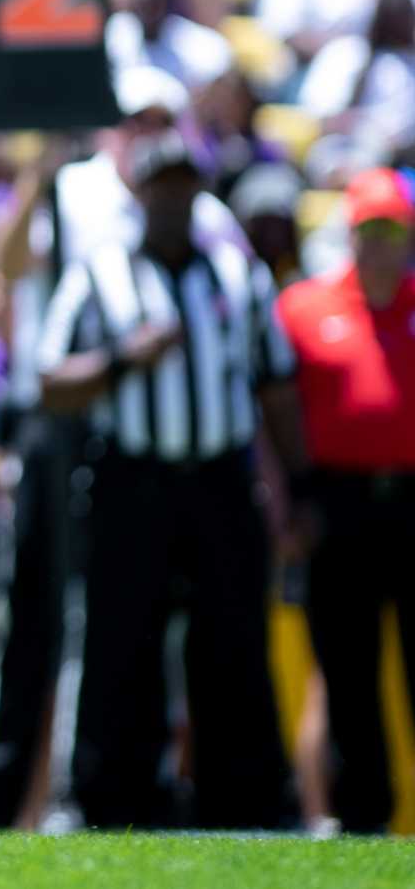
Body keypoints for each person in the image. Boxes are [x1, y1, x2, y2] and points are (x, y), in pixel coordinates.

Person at [37, 132, 300, 830]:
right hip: (135, 481)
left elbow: (275, 385)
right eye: (163, 186)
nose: (176, 199)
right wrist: (125, 357)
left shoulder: (240, 277)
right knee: (122, 643)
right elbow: (49, 380)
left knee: (234, 641)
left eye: (188, 185)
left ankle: (243, 804)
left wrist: (298, 489)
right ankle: (113, 802)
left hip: (219, 480)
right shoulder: (99, 273)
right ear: (139, 193)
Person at [275, 168, 415, 834]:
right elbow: (274, 412)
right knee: (348, 671)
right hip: (338, 504)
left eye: (394, 229)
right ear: (350, 233)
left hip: (412, 500)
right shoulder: (305, 307)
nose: (383, 243)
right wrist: (287, 501)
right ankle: (363, 823)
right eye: (370, 229)